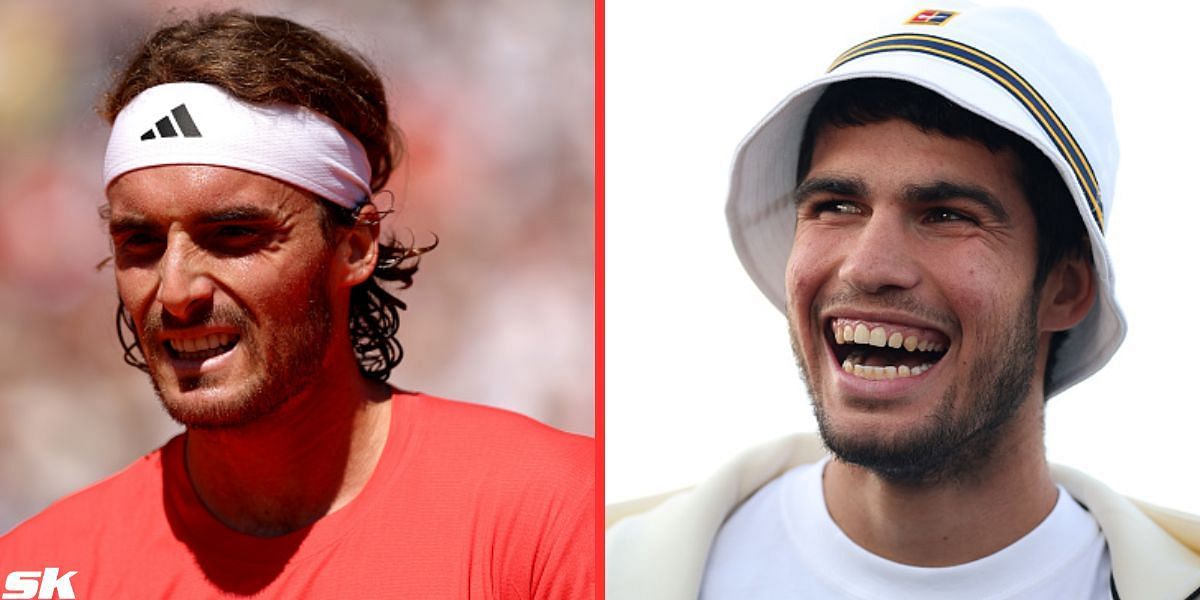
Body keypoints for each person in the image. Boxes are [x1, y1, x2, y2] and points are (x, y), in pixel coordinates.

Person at [606, 3, 1199, 599]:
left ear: (1065, 290)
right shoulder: (597, 575)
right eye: (836, 205)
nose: (868, 267)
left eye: (946, 215)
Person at [0, 11, 593, 598]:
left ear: (354, 247)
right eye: (141, 243)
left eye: (234, 236)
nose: (176, 291)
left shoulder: (556, 515)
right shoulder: (42, 569)